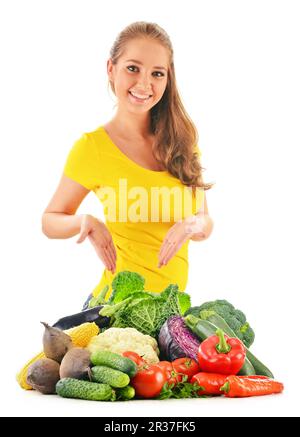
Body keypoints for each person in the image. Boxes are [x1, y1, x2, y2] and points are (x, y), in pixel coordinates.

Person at [41, 21, 215, 306]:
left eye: (157, 73)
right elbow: (50, 221)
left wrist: (192, 224)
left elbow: (205, 222)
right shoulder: (92, 148)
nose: (144, 84)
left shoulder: (183, 142)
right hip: (113, 310)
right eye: (132, 68)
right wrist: (85, 221)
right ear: (111, 69)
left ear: (167, 79)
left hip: (169, 313)